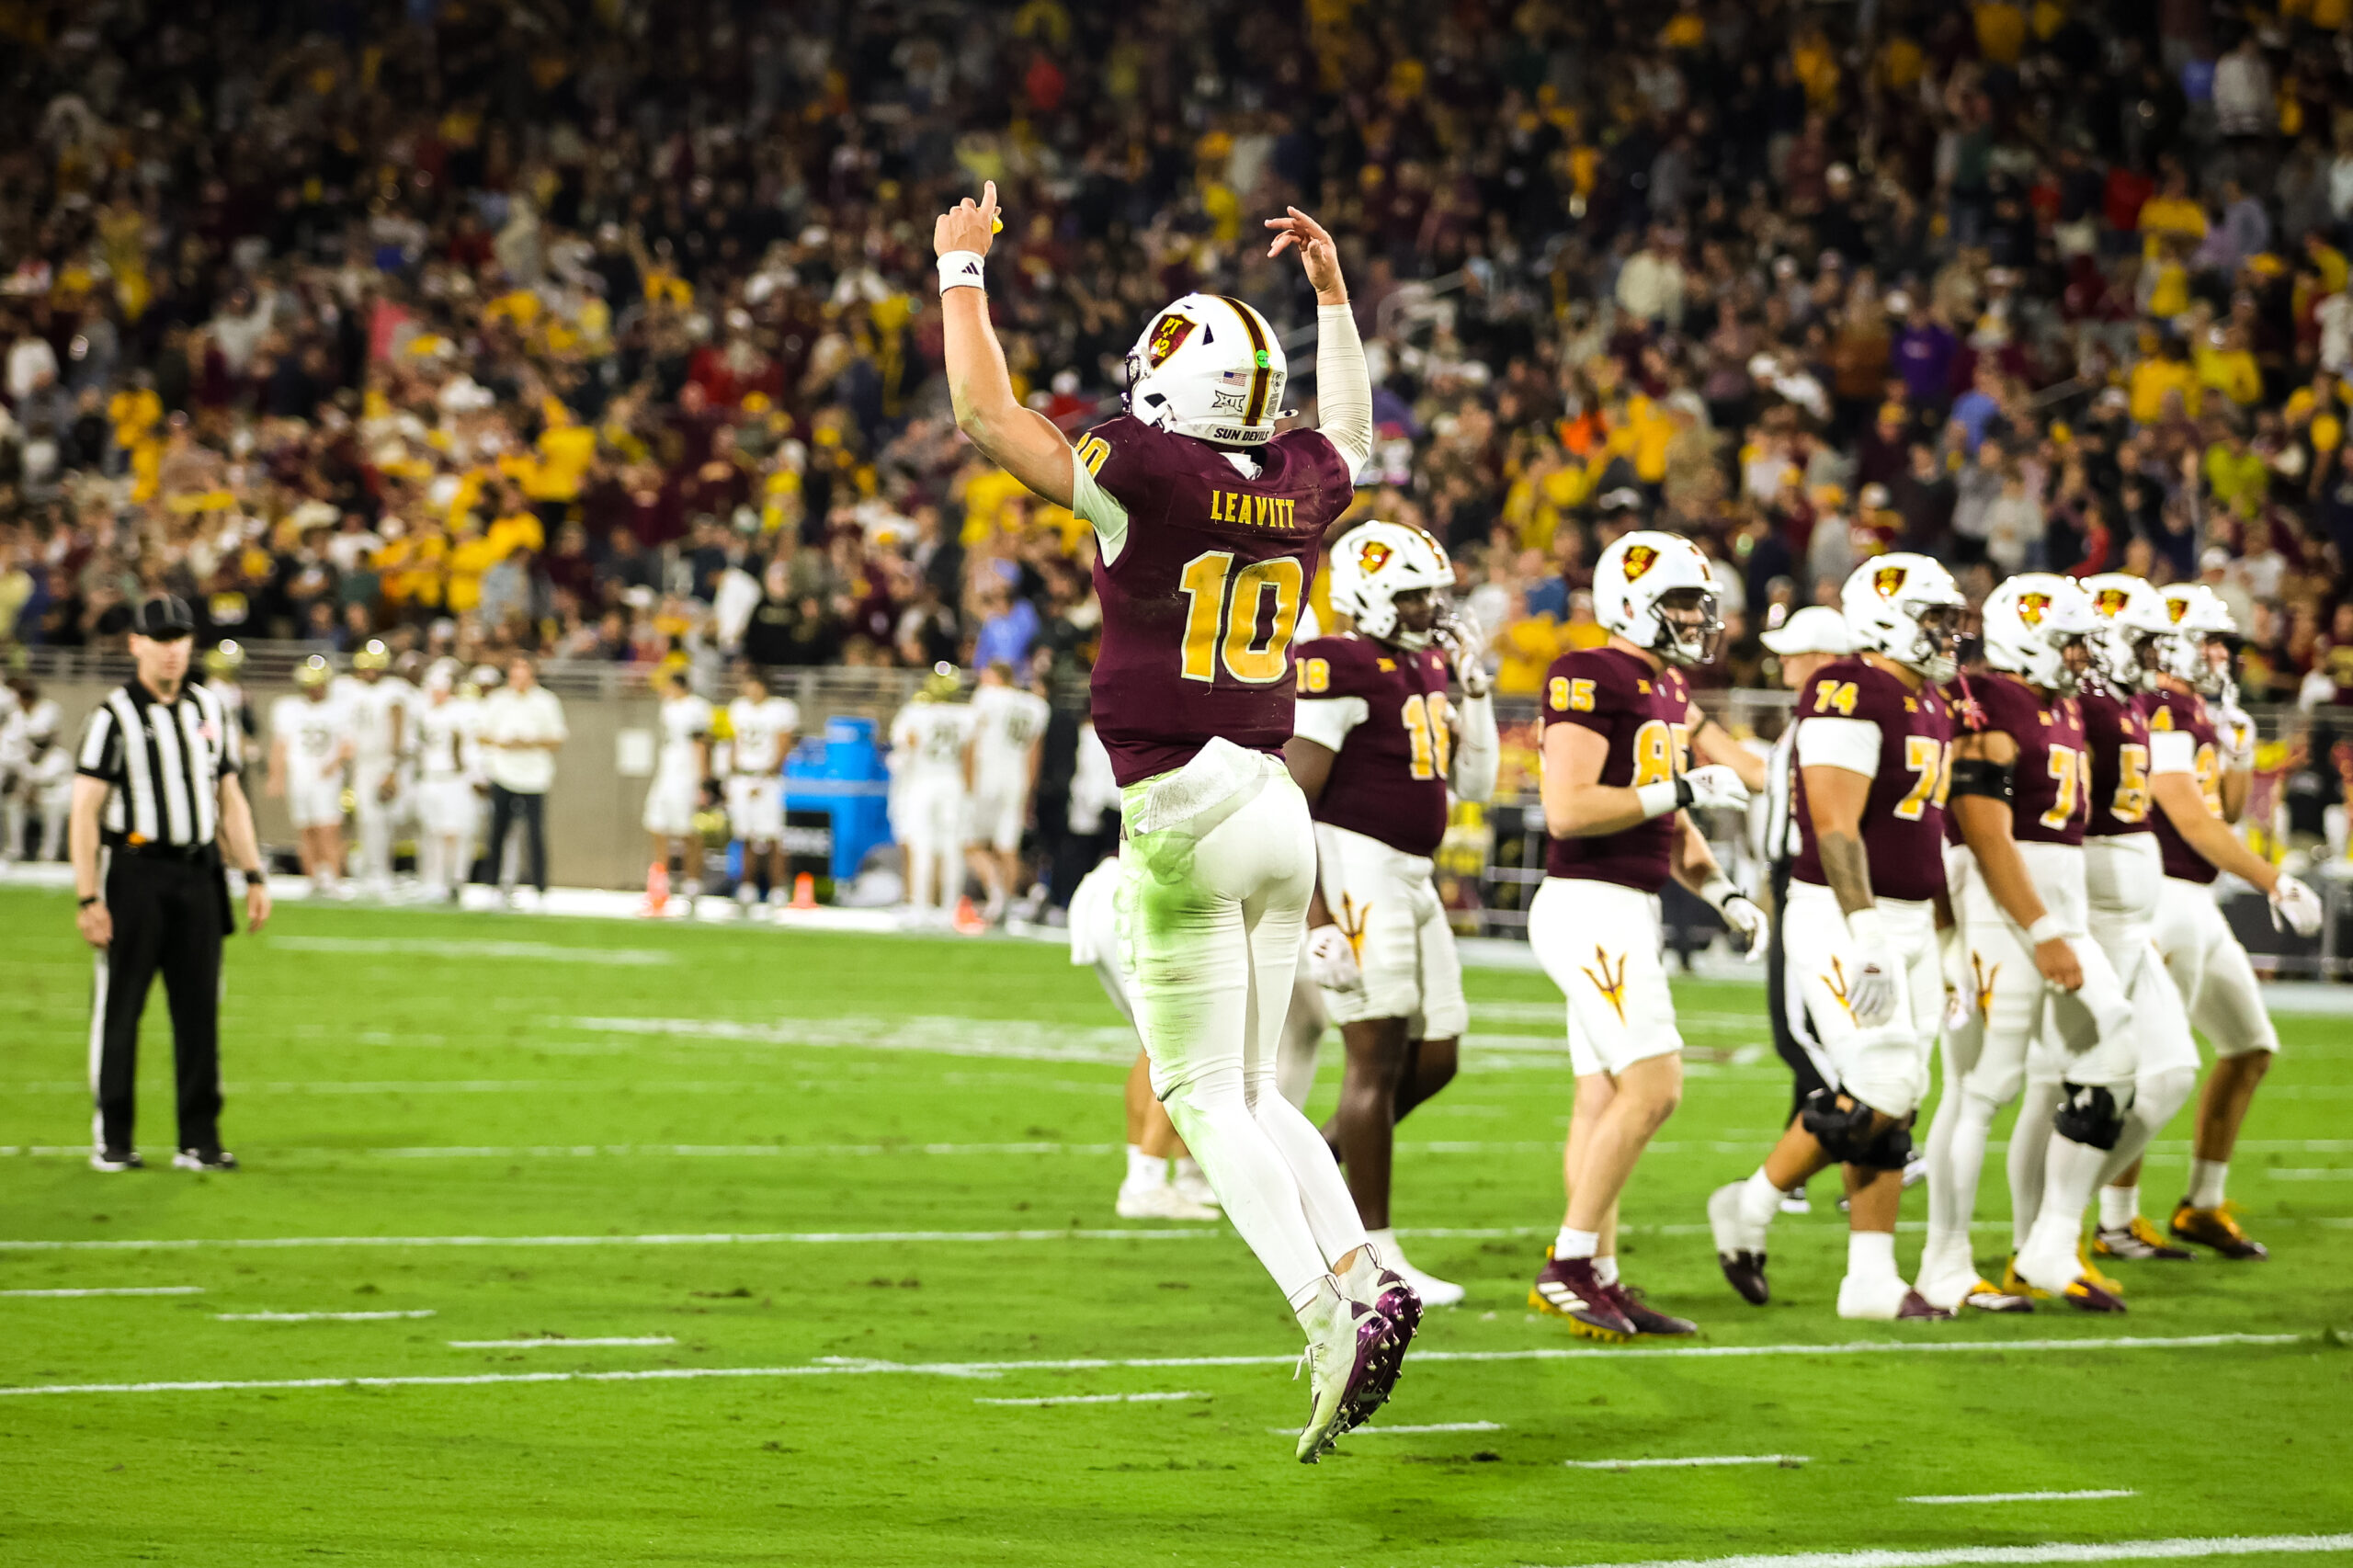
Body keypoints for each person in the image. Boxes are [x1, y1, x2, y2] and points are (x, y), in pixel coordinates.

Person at [937, 182, 1406, 1460]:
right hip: (1273, 792)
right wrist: (1333, 298)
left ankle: (1327, 1314)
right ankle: (1371, 1274)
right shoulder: (1303, 480)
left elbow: (987, 414)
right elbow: (1352, 437)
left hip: (1184, 804)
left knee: (1203, 1095)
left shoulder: (1142, 472)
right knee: (1258, 1084)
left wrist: (959, 272)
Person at [1709, 555, 1979, 1320]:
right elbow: (1834, 824)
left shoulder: (1925, 698)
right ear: (1889, 617)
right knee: (1883, 1082)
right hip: (1843, 911)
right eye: (1933, 618)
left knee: (1903, 1095)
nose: (1947, 634)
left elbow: (1928, 833)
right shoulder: (1850, 688)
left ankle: (1870, 1278)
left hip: (1908, 914)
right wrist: (1865, 932)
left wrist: (1949, 946)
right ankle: (1752, 1206)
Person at [1525, 530, 1762, 1342]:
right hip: (1589, 904)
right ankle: (1570, 1262)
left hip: (1625, 904)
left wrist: (1726, 893)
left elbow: (1674, 825)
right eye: (1684, 603)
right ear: (1634, 602)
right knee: (1656, 1087)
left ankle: (1601, 1275)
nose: (1699, 618)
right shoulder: (1588, 673)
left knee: (1602, 1097)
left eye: (1702, 603)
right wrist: (1684, 785)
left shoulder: (1660, 686)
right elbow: (1570, 808)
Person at [1285, 521, 1499, 1308]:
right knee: (1373, 1059)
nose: (1430, 608)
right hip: (1354, 867)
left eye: (1433, 593)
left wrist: (1474, 693)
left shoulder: (1429, 664)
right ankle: (1371, 1256)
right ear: (1368, 592)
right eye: (1413, 595)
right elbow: (1291, 799)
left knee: (1436, 1056)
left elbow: (1474, 784)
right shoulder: (1336, 664)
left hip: (1413, 877)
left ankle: (1305, 1184)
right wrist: (1316, 916)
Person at [1925, 574, 2135, 1312]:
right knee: (1982, 1090)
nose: (2081, 656)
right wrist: (2040, 930)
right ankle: (1942, 1262)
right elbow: (1981, 826)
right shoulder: (1996, 700)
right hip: (2002, 909)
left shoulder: (2063, 705)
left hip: (2054, 906)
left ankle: (2049, 1240)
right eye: (2069, 639)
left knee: (2117, 1054)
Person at [2101, 584, 2323, 1259]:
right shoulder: (2161, 707)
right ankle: (2113, 1216)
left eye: (2224, 642)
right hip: (2161, 895)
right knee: (2153, 1066)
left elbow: (2225, 807)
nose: (2223, 654)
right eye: (2210, 640)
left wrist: (2234, 746)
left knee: (2250, 1047)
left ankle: (2200, 1204)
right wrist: (2274, 881)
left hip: (2196, 899)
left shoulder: (2198, 711)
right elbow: (2189, 817)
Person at [69, 596, 271, 1172]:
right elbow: (85, 810)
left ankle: (199, 1138)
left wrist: (253, 873)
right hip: (135, 872)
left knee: (200, 1007)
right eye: (161, 638)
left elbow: (229, 797)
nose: (173, 650)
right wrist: (88, 895)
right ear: (136, 644)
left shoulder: (209, 708)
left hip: (200, 872)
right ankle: (114, 1137)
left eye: (181, 638)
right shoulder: (113, 715)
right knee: (121, 1007)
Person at [2063, 575, 2204, 1266]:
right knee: (2045, 1087)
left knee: (2171, 1070)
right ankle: (2043, 1239)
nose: (2154, 654)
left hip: (2129, 921)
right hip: (2088, 919)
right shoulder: (2082, 707)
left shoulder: (2132, 704)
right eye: (2144, 639)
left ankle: (2068, 1222)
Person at [1745, 605, 1857, 1216]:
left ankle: (1872, 1118)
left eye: (1795, 651)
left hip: (1811, 880)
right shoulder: (1815, 718)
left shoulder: (1828, 719)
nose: (1783, 660)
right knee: (1813, 1024)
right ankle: (1793, 1177)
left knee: (1796, 1032)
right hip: (1806, 877)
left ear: (1823, 660)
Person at [1068, 851, 1222, 1221]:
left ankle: (1166, 1175)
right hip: (1148, 898)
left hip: (1106, 888)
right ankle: (1146, 1181)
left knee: (1156, 1043)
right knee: (1184, 1042)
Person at [887, 664, 976, 926]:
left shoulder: (915, 713)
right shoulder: (965, 715)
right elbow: (969, 758)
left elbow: (906, 750)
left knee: (922, 846)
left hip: (924, 782)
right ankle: (948, 908)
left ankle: (920, 906)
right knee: (951, 848)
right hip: (953, 783)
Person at [965, 660, 1051, 923]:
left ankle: (996, 895)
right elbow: (1035, 754)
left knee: (969, 843)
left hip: (987, 777)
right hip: (1017, 780)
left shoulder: (987, 697)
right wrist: (1030, 790)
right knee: (1008, 847)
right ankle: (1010, 905)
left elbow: (971, 740)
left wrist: (968, 782)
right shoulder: (1036, 706)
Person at [478, 654, 566, 908]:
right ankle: (493, 885)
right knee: (497, 831)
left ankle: (539, 887)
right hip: (504, 773)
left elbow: (557, 739)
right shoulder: (498, 700)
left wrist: (529, 742)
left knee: (535, 834)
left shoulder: (546, 701)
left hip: (534, 776)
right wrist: (504, 743)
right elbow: (483, 735)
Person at [267, 654, 354, 897]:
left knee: (328, 828)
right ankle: (314, 877)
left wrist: (333, 763)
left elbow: (348, 745)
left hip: (326, 778)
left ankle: (334, 877)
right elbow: (280, 744)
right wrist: (276, 776)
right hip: (300, 776)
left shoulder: (339, 708)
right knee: (305, 829)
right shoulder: (288, 707)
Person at [722, 667, 801, 915]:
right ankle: (748, 885)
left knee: (773, 835)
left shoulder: (780, 709)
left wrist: (767, 775)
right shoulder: (739, 708)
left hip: (767, 778)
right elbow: (735, 742)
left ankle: (778, 887)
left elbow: (784, 745)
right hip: (743, 776)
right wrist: (732, 772)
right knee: (744, 833)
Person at [640, 666, 714, 916]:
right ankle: (661, 882)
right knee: (657, 824)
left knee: (689, 831)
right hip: (667, 771)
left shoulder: (697, 707)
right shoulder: (668, 708)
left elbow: (701, 743)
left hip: (687, 774)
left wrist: (704, 781)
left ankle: (692, 884)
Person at [339, 640, 411, 897]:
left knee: (383, 819)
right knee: (365, 818)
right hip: (361, 762)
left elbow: (398, 729)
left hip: (382, 761)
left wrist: (392, 768)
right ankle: (369, 869)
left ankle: (381, 871)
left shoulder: (393, 691)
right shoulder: (352, 690)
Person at [412, 662, 482, 903]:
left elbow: (469, 747)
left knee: (452, 832)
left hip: (453, 780)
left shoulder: (461, 711)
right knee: (431, 833)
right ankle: (433, 881)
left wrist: (473, 775)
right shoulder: (424, 712)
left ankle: (454, 880)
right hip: (431, 778)